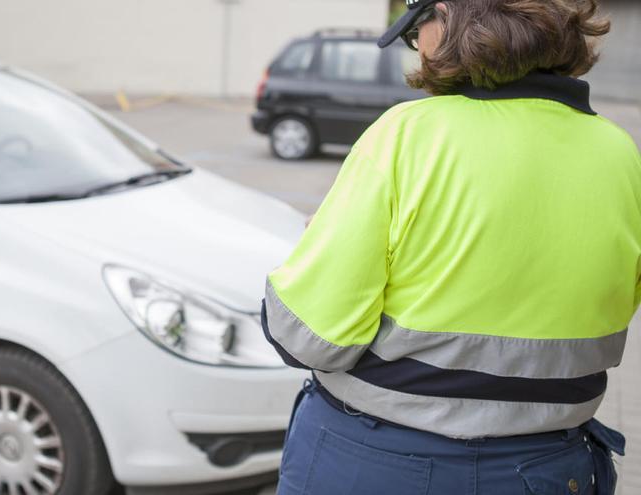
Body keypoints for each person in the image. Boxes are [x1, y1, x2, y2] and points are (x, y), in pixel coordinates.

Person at [261, 0, 639, 493]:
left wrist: (319, 244)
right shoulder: (621, 154)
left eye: (417, 28)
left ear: (450, 17)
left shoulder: (406, 136)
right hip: (549, 466)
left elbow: (309, 337)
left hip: (376, 462)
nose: (417, 46)